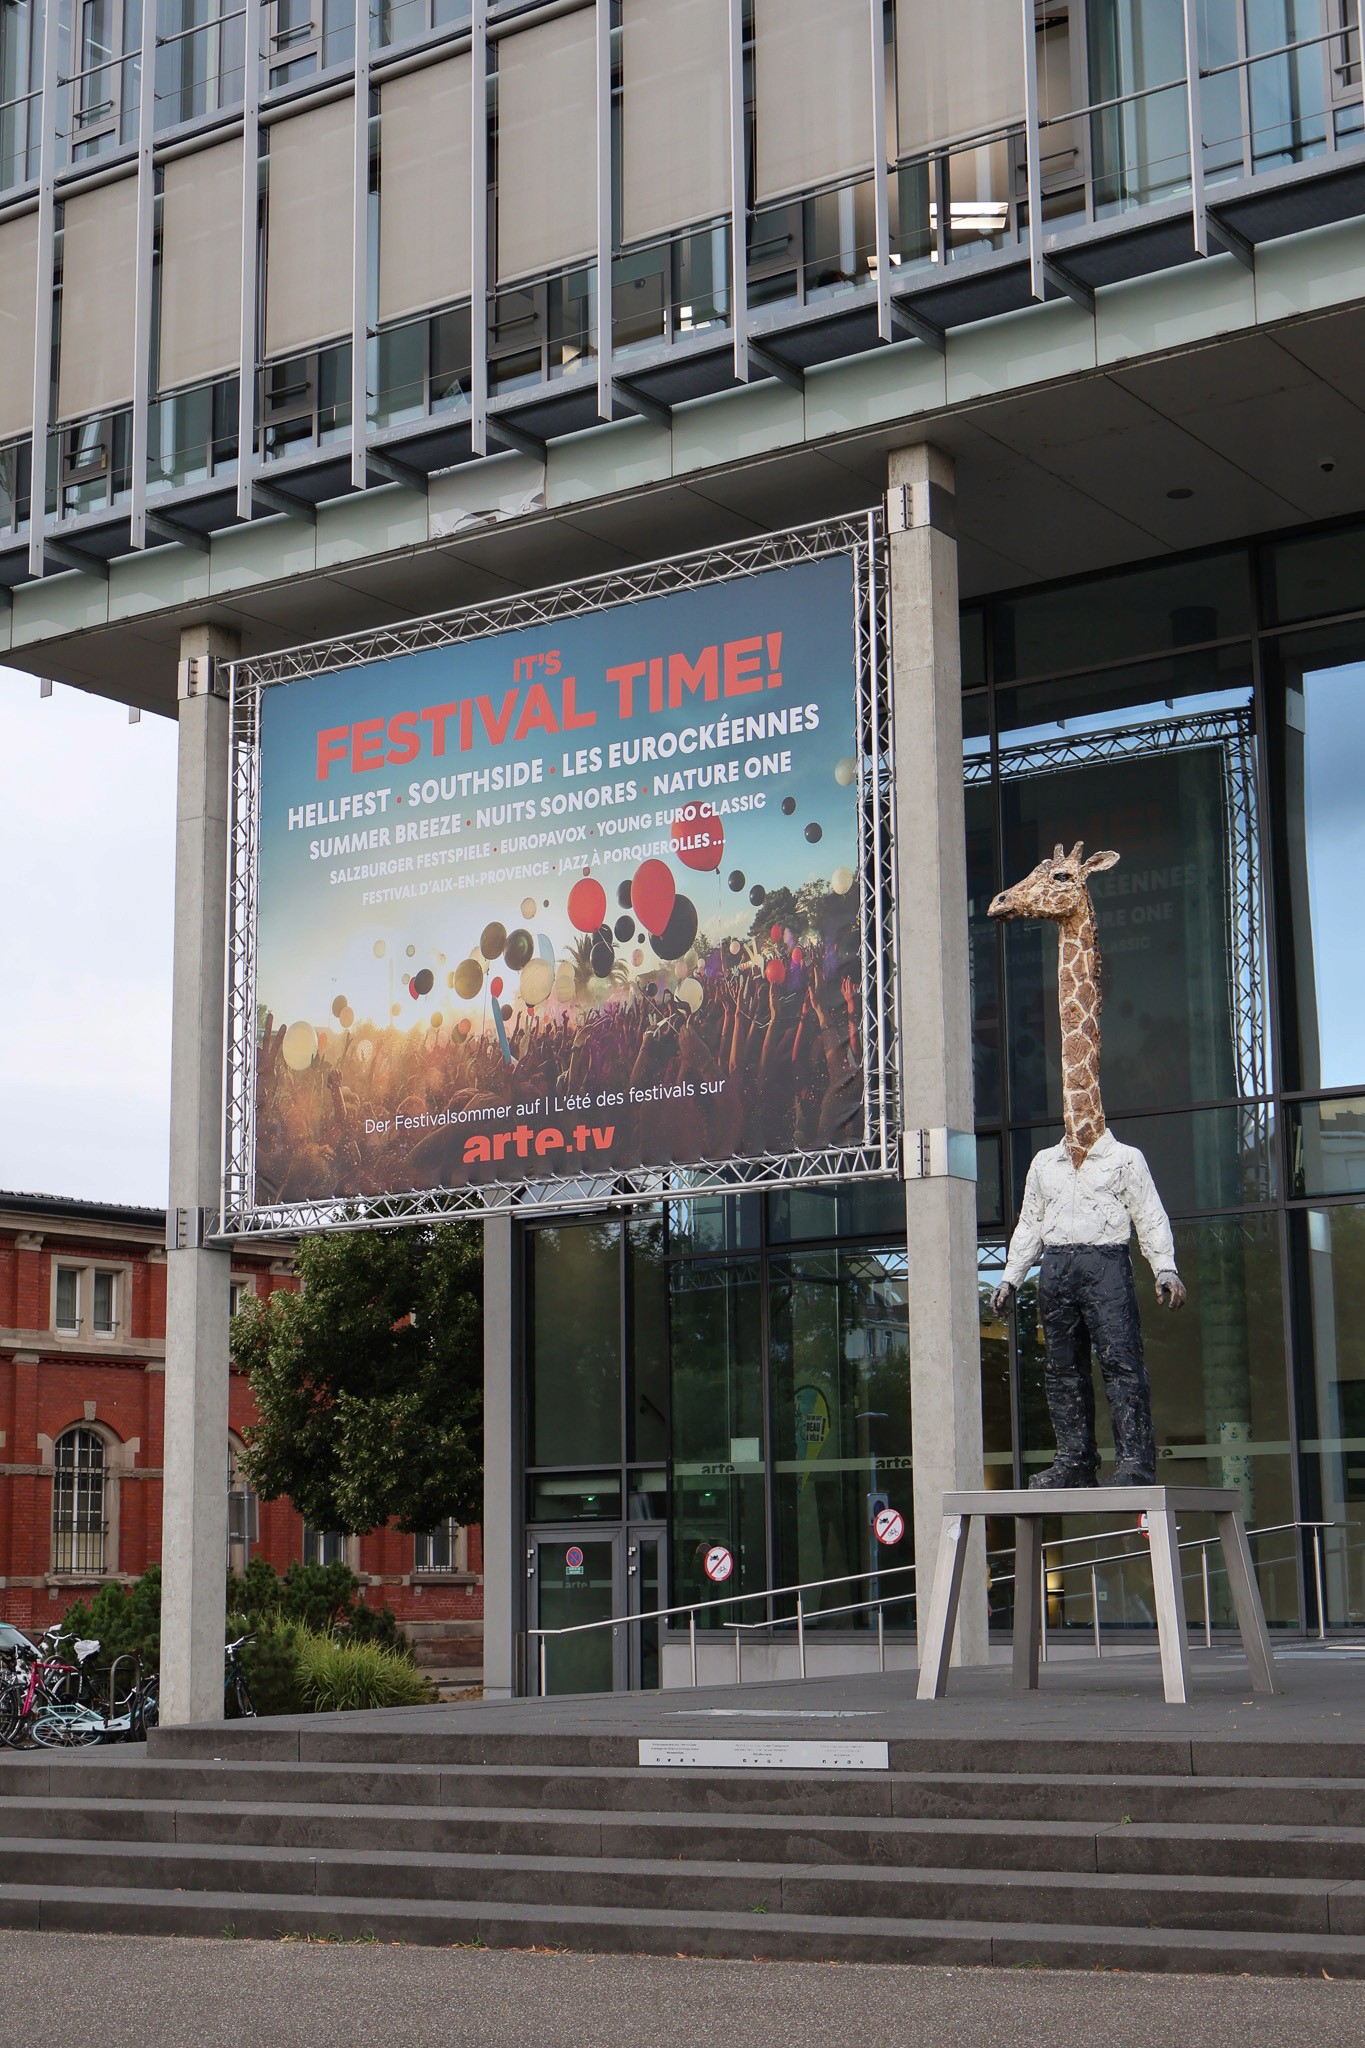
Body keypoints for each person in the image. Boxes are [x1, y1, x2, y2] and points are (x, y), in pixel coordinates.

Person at [990, 1132, 1186, 1488]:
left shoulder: (1125, 1158)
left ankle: (1135, 1465)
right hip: (1056, 1266)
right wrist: (1010, 1278)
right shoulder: (1045, 1162)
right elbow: (1031, 1222)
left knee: (1121, 1363)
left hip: (1107, 1263)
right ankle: (1074, 1461)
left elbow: (1148, 1212)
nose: (1076, 1102)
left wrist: (1165, 1267)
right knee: (1061, 1369)